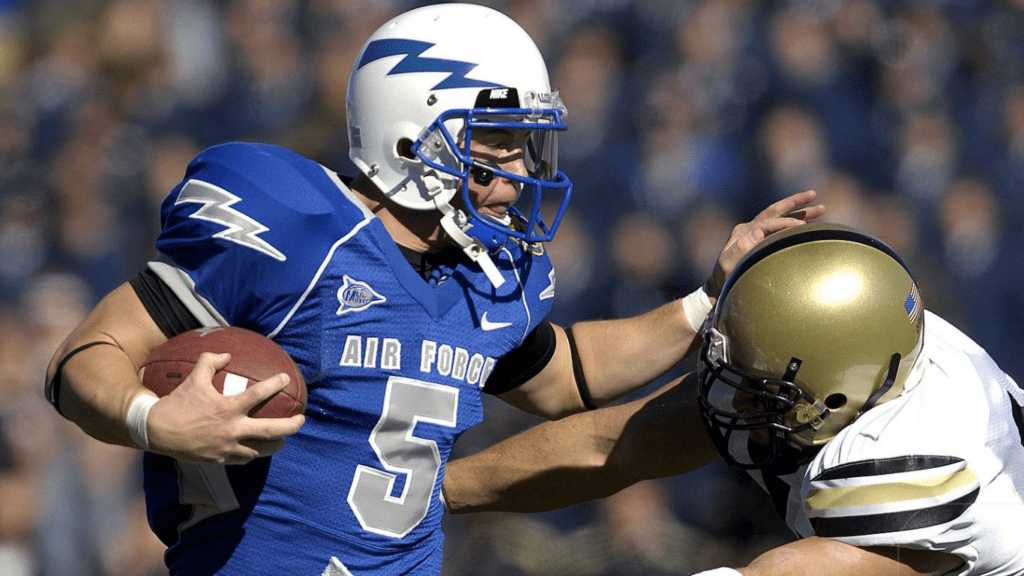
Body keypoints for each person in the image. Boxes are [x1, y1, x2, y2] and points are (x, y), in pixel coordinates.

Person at [42, 4, 822, 576]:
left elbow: (568, 375)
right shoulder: (298, 225)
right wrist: (154, 419)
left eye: (528, 142)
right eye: (496, 141)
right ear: (409, 132)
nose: (520, 170)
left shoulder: (479, 270)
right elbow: (86, 356)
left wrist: (706, 297)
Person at [442, 223, 1024, 576]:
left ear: (837, 392)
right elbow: (612, 446)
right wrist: (430, 492)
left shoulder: (912, 460)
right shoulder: (868, 352)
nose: (730, 395)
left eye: (761, 387)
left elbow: (786, 573)